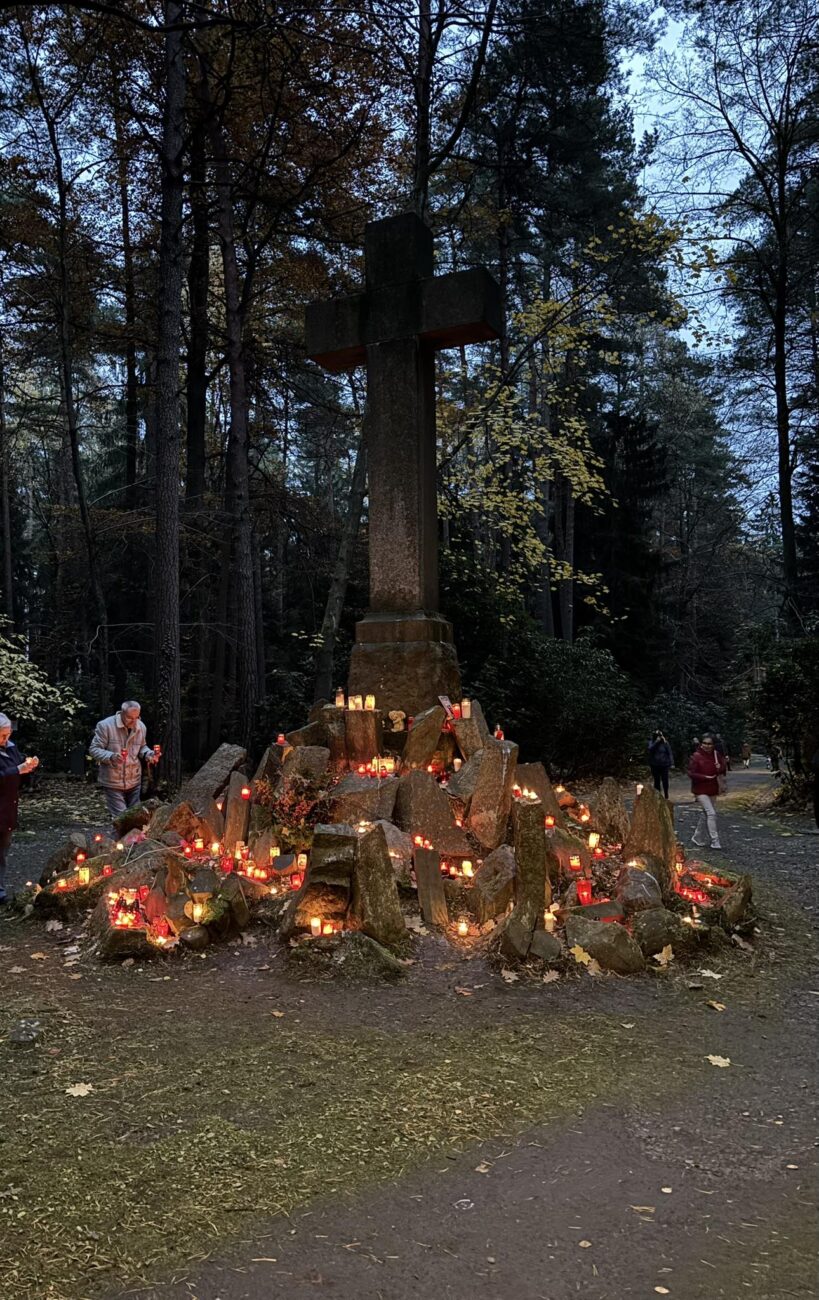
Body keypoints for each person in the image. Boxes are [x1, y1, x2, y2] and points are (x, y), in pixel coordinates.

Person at [90, 700, 158, 828]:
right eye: (129, 718)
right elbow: (94, 749)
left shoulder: (141, 726)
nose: (133, 721)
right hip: (113, 780)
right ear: (121, 713)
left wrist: (149, 754)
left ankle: (133, 845)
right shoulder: (105, 726)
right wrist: (111, 756)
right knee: (121, 818)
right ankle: (119, 845)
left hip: (134, 780)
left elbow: (142, 747)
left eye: (136, 717)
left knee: (136, 817)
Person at [0, 713, 40, 904]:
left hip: (7, 809)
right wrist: (17, 770)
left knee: (3, 851)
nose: (5, 739)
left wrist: (29, 765)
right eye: (1, 735)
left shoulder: (10, 746)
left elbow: (18, 766)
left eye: (7, 735)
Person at [688, 733, 727, 851]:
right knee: (711, 813)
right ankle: (715, 841)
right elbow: (691, 773)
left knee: (706, 814)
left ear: (713, 745)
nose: (706, 746)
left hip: (713, 788)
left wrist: (719, 766)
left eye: (709, 743)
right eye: (704, 743)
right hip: (700, 789)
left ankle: (697, 836)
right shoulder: (696, 756)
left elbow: (723, 770)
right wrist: (704, 777)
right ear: (701, 744)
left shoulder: (716, 755)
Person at [647, 729, 674, 798]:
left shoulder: (665, 743)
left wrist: (671, 763)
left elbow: (670, 753)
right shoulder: (651, 742)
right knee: (657, 781)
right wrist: (656, 742)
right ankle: (658, 795)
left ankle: (666, 794)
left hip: (664, 765)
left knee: (665, 780)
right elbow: (650, 749)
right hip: (655, 765)